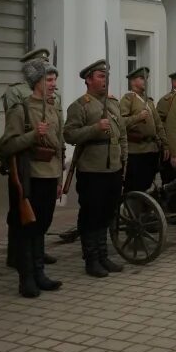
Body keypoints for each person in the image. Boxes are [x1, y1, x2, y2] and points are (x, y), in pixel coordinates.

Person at [0, 59, 63, 298]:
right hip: (29, 178)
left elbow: (59, 147)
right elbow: (5, 147)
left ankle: (39, 273)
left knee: (42, 227)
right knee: (28, 229)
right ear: (36, 82)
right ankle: (26, 279)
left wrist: (59, 181)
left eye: (54, 79)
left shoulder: (54, 110)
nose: (53, 84)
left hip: (50, 176)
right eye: (48, 79)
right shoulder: (21, 109)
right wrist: (33, 135)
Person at [63, 59, 127, 277]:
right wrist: (94, 128)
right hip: (92, 169)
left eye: (107, 76)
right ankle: (91, 259)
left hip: (114, 167)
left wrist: (124, 160)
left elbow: (122, 135)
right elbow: (69, 135)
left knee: (108, 212)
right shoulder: (80, 106)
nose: (105, 80)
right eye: (100, 76)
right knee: (92, 213)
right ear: (88, 80)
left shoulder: (113, 104)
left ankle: (103, 255)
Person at [120, 67, 168, 193]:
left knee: (148, 185)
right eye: (141, 78)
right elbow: (121, 122)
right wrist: (138, 117)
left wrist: (165, 145)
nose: (145, 81)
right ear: (132, 81)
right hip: (136, 150)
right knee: (134, 185)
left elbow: (158, 125)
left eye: (146, 78)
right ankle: (129, 210)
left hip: (152, 149)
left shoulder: (149, 101)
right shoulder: (128, 99)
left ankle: (143, 210)